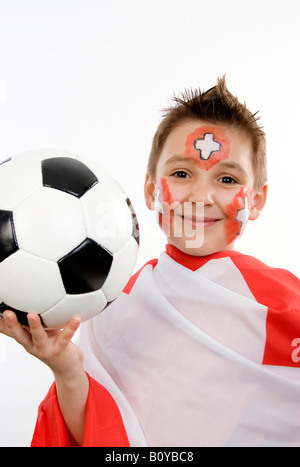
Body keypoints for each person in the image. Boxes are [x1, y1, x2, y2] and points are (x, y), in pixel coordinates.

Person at [1, 77, 300, 447]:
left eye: (226, 178)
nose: (201, 195)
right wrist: (66, 368)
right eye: (181, 173)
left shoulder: (283, 303)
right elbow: (102, 435)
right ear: (149, 190)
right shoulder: (114, 302)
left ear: (255, 200)